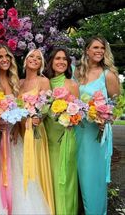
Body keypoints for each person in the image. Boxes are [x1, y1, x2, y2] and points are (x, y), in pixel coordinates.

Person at [0, 44, 51, 214]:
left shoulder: (13, 80)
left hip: (11, 136)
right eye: (0, 56)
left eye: (7, 56)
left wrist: (17, 127)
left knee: (15, 175)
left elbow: (17, 110)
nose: (4, 60)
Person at [73, 36, 120, 214]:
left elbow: (117, 105)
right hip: (76, 130)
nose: (99, 51)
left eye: (102, 48)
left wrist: (105, 119)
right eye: (95, 47)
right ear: (87, 50)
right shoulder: (77, 72)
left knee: (91, 180)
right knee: (75, 179)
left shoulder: (108, 75)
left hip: (95, 135)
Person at [17, 49, 55, 214]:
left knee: (35, 170)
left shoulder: (44, 81)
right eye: (31, 56)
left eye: (38, 58)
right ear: (25, 61)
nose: (34, 59)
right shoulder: (18, 83)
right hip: (18, 132)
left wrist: (38, 116)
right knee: (20, 169)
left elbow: (46, 107)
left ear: (41, 64)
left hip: (35, 132)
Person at [44, 47, 79, 215]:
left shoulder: (71, 84)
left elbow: (78, 115)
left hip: (64, 137)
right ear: (51, 61)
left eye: (64, 59)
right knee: (48, 178)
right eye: (57, 58)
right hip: (46, 138)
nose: (61, 62)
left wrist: (69, 118)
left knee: (63, 181)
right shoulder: (44, 82)